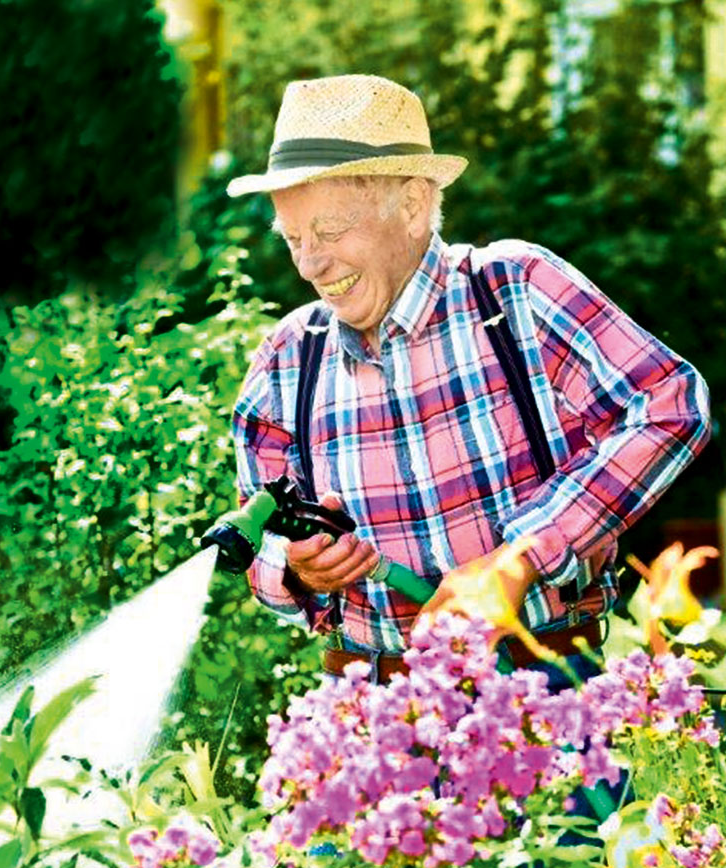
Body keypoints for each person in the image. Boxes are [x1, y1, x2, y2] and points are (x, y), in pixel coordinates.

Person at [226, 73, 711, 686]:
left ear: (411, 205)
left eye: (328, 231)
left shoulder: (514, 293)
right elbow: (259, 538)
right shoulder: (288, 360)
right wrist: (300, 568)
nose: (310, 262)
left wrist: (519, 560)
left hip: (543, 689)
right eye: (293, 238)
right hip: (372, 713)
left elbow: (668, 401)